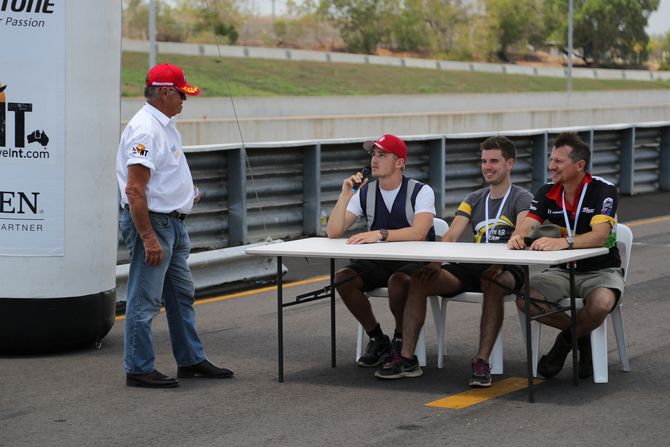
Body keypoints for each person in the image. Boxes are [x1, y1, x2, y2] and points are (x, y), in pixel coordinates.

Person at [375, 135, 533, 386]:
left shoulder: (521, 197)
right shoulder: (474, 198)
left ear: (509, 164)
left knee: (493, 283)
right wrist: (435, 262)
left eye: (494, 161)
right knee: (421, 278)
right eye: (483, 161)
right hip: (473, 267)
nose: (487, 167)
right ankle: (407, 358)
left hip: (508, 266)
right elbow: (450, 235)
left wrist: (502, 259)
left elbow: (521, 233)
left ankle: (481, 361)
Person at [117, 63, 233, 388]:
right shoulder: (146, 129)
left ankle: (191, 359)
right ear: (166, 92)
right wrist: (148, 237)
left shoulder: (164, 125)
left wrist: (185, 194)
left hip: (172, 223)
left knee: (181, 295)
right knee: (145, 299)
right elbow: (135, 189)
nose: (185, 99)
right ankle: (138, 368)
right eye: (182, 93)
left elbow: (160, 177)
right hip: (155, 225)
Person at [507, 132, 624, 380]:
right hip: (562, 270)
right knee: (525, 299)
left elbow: (600, 235)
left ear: (579, 165)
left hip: (601, 270)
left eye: (558, 161)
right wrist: (518, 235)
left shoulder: (603, 190)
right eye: (551, 159)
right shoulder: (547, 190)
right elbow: (528, 224)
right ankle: (581, 338)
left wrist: (563, 242)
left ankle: (563, 344)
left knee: (601, 304)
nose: (551, 166)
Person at [326, 134, 436, 367]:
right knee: (343, 279)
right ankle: (377, 337)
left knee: (399, 280)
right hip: (379, 261)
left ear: (400, 162)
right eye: (373, 155)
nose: (375, 160)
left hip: (414, 263)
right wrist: (346, 194)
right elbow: (333, 231)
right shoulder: (365, 192)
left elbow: (419, 231)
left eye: (382, 155)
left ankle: (400, 338)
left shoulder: (421, 191)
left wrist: (380, 234)